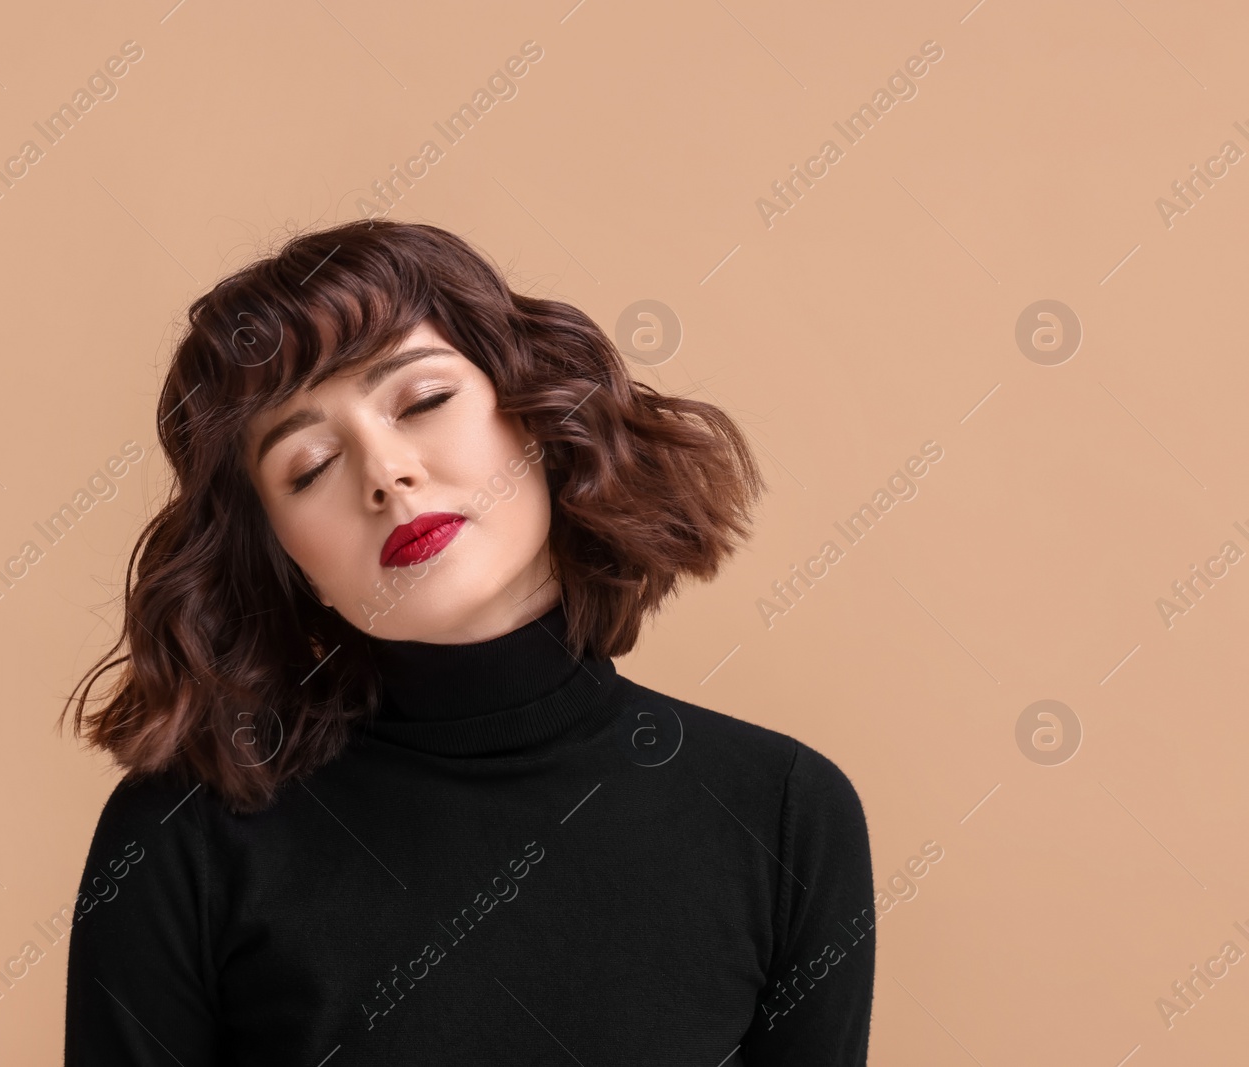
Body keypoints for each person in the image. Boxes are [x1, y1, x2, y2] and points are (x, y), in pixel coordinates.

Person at [59, 219, 875, 1065]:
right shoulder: (184, 836)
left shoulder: (779, 810)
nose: (385, 472)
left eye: (423, 401)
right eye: (308, 465)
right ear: (282, 557)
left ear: (535, 412)